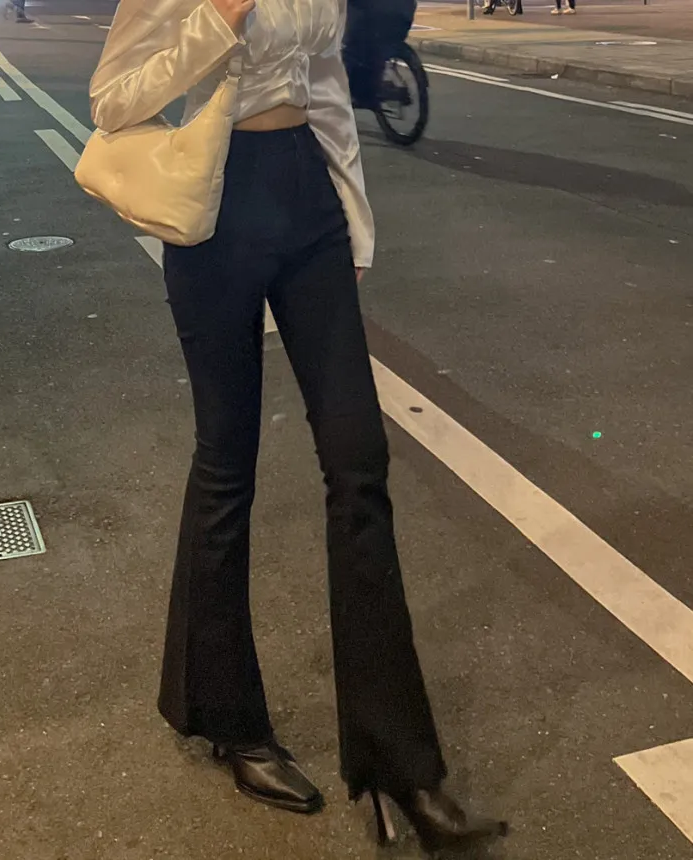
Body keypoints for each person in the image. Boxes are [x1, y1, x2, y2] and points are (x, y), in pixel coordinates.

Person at [89, 0, 507, 850]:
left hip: (307, 202)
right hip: (213, 211)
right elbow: (112, 100)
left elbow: (324, 82)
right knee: (227, 462)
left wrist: (353, 218)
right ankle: (228, 720)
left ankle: (401, 767)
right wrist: (216, 21)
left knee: (360, 462)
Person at [343, 0, 417, 108]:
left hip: (373, 19)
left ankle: (357, 91)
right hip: (403, 18)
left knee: (349, 43)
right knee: (377, 46)